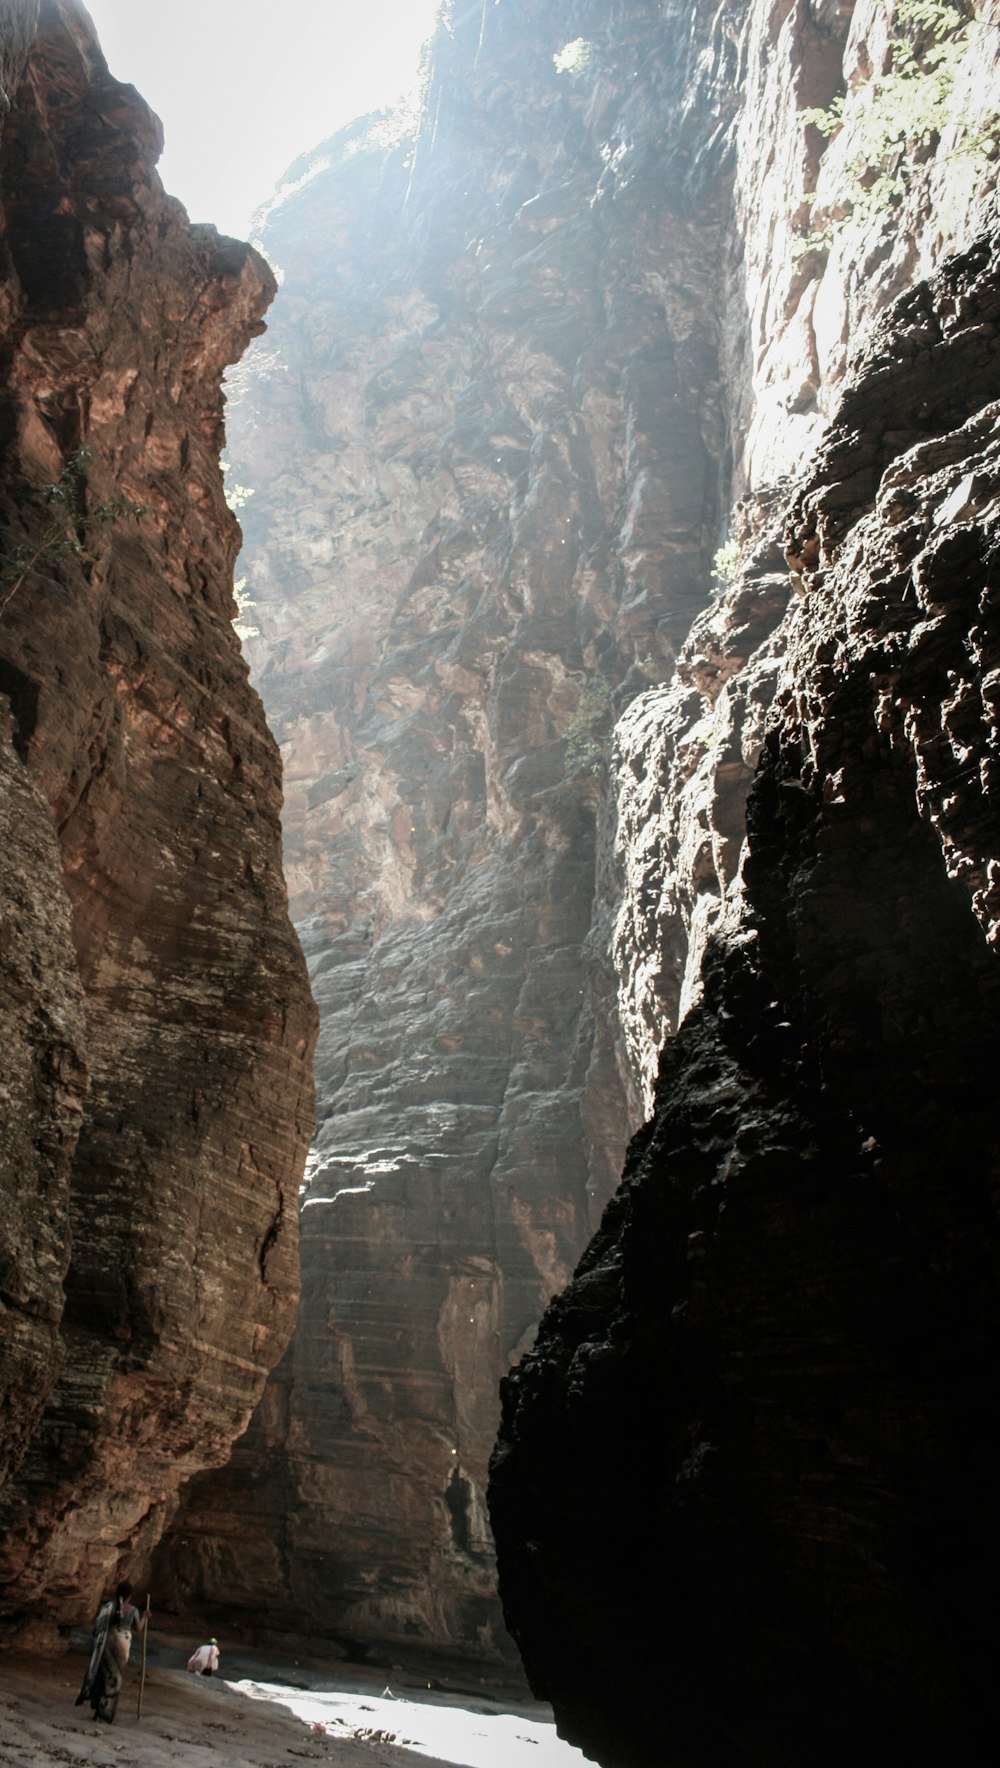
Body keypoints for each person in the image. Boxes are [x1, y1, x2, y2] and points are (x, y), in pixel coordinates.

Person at [75, 1579, 148, 1724]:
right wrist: (145, 1616)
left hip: (107, 1644)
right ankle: (105, 1713)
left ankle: (98, 1711)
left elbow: (98, 1627)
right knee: (114, 1679)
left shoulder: (108, 1607)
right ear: (129, 1595)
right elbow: (139, 1628)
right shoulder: (132, 1610)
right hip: (122, 1645)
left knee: (103, 1676)